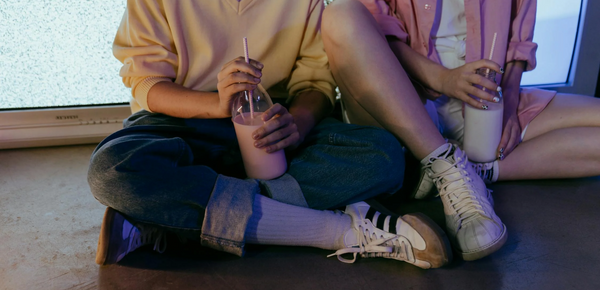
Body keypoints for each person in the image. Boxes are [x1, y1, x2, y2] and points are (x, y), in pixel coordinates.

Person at [87, 0, 453, 269]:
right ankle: (338, 231)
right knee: (113, 168)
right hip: (184, 125)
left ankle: (174, 220)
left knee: (385, 155)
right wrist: (217, 105)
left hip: (270, 130)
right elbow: (146, 83)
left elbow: (315, 82)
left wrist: (296, 124)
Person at [322, 0, 600, 260]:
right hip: (403, 96)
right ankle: (444, 164)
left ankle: (475, 171)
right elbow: (375, 32)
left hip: (485, 99)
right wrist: (443, 79)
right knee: (340, 13)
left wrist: (510, 101)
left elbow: (519, 41)